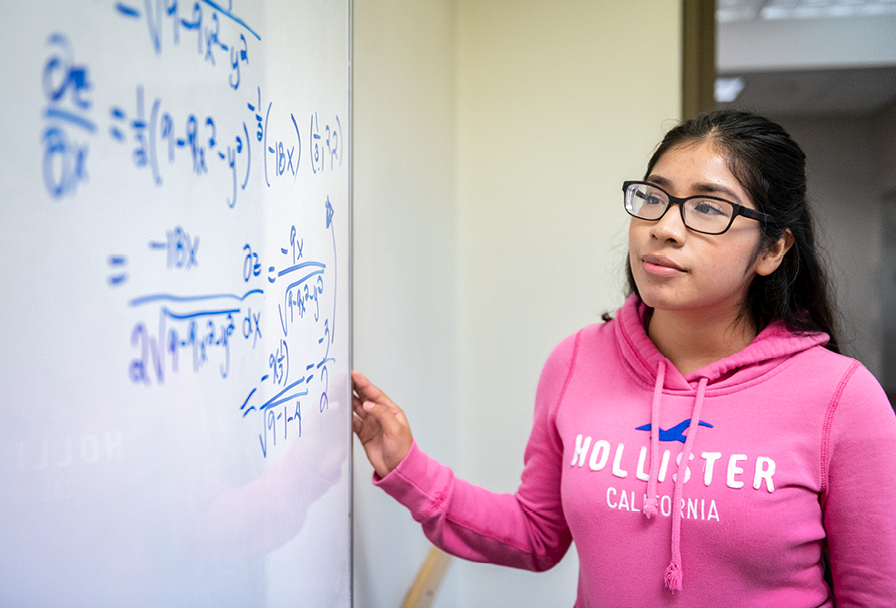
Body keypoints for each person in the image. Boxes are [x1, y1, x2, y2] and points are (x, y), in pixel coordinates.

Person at [351, 110, 896, 606]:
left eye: (708, 207)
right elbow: (537, 535)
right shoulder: (576, 361)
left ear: (773, 249)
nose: (664, 227)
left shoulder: (843, 399)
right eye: (654, 197)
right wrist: (407, 467)